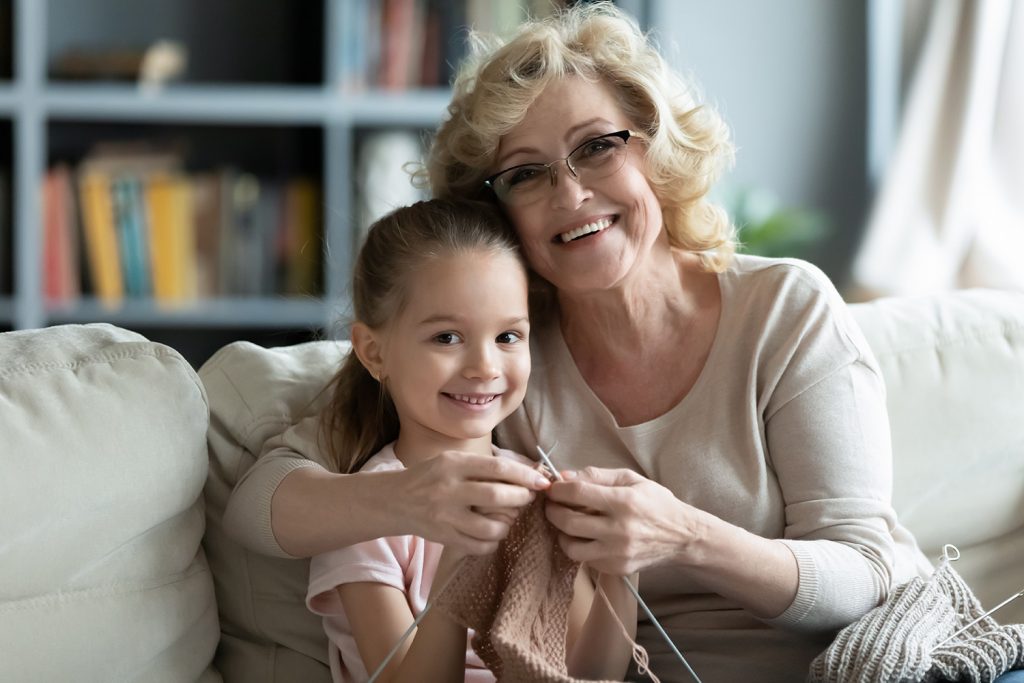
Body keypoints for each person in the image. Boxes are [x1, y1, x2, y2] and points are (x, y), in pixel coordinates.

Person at [222, 4, 993, 681]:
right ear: (498, 216)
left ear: (654, 147)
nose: (570, 192)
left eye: (598, 146)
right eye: (525, 174)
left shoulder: (783, 309)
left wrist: (686, 534)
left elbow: (862, 571)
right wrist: (407, 498)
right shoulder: (503, 359)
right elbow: (256, 504)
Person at [302, 198, 637, 682]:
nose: (485, 367)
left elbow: (589, 673)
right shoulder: (366, 519)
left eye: (507, 337)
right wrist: (458, 570)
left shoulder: (535, 492)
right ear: (375, 353)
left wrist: (622, 571)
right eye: (447, 338)